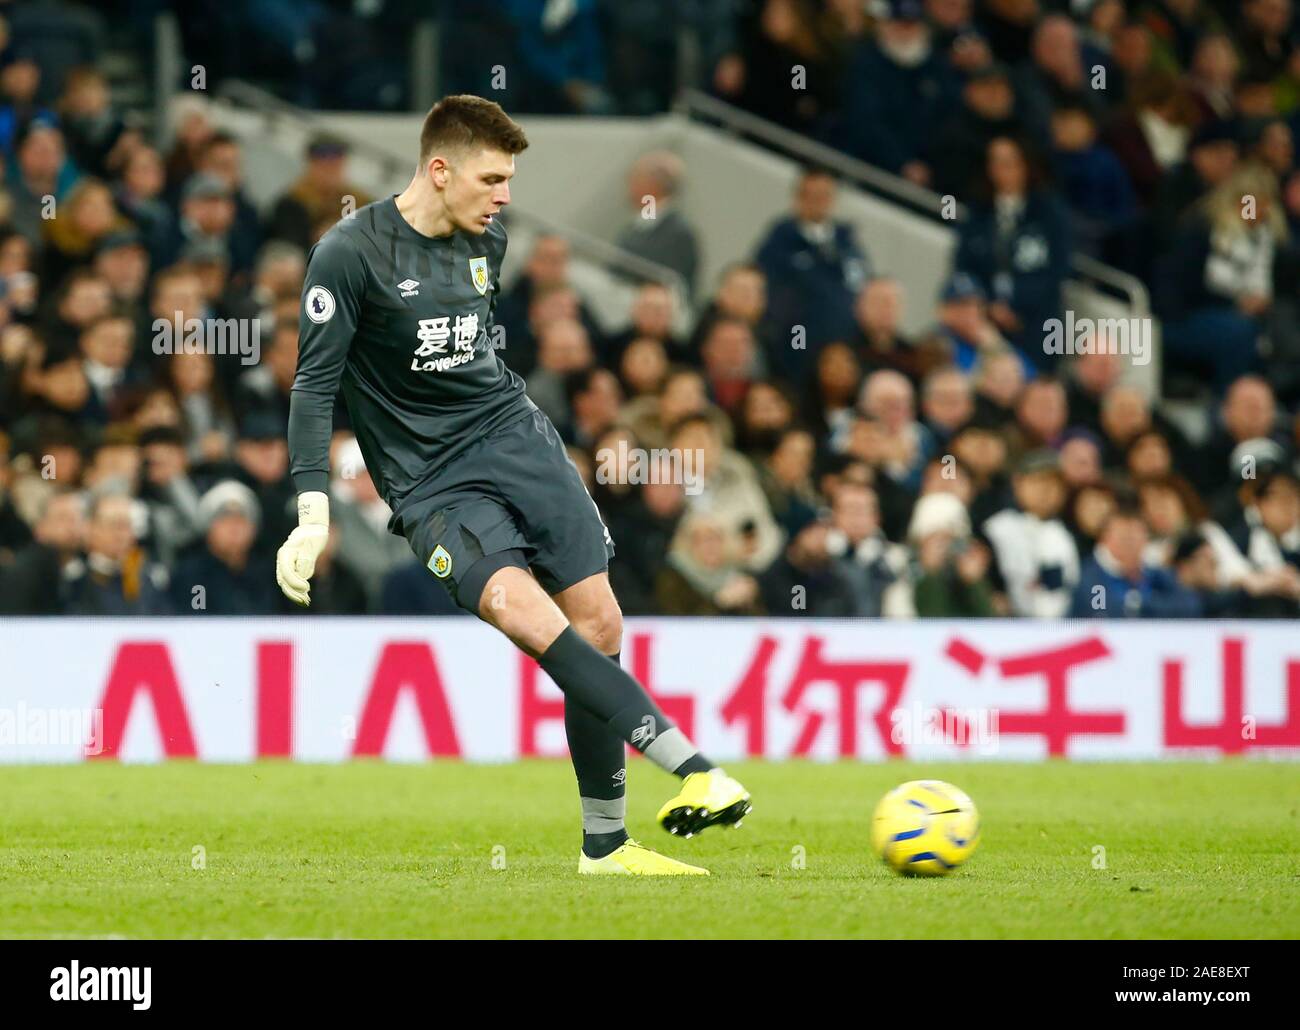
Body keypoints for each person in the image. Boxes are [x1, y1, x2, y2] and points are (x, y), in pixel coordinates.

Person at [279, 95, 750, 877]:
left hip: (515, 438)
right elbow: (312, 386)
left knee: (598, 622)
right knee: (521, 610)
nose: (504, 196)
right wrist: (311, 511)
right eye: (492, 177)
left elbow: (472, 362)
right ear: (439, 170)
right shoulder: (348, 254)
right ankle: (694, 767)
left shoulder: (487, 240)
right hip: (430, 482)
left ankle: (605, 845)